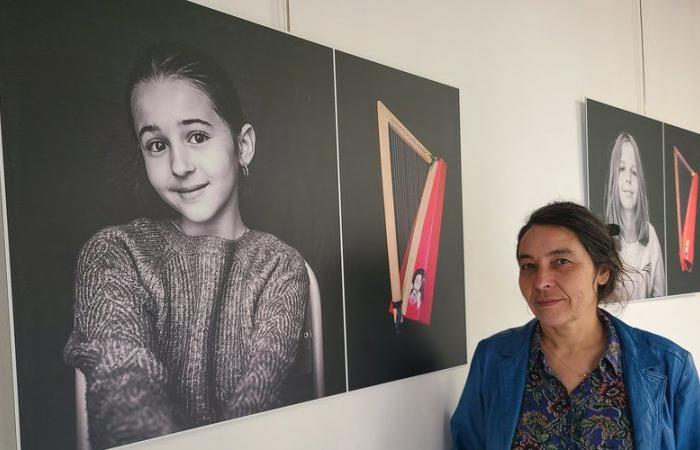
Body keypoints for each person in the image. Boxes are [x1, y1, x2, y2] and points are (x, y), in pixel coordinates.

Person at [64, 43, 309, 449]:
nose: (180, 165)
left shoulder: (279, 264)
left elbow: (258, 401)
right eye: (157, 145)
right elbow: (123, 383)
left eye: (196, 135)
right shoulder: (114, 252)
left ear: (243, 144)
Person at [451, 202, 700, 449]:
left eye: (561, 261)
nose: (540, 281)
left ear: (602, 271)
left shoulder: (668, 366)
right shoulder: (493, 359)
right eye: (528, 266)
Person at [605, 132, 666, 299]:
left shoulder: (650, 235)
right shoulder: (603, 238)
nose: (628, 179)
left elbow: (660, 297)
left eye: (634, 171)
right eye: (622, 169)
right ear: (614, 180)